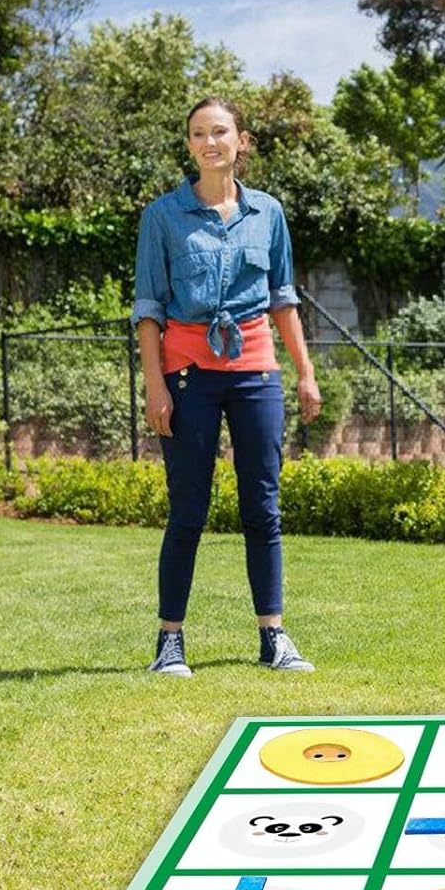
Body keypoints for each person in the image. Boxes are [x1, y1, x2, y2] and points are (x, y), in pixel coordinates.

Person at [133, 96, 321, 677]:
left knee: (262, 506)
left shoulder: (268, 213)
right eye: (198, 133)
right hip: (187, 370)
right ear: (189, 144)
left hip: (256, 368)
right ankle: (170, 642)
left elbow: (283, 299)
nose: (209, 142)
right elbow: (149, 309)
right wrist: (156, 385)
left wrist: (306, 372)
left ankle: (273, 635)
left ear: (242, 141)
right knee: (188, 508)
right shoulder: (163, 216)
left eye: (219, 132)